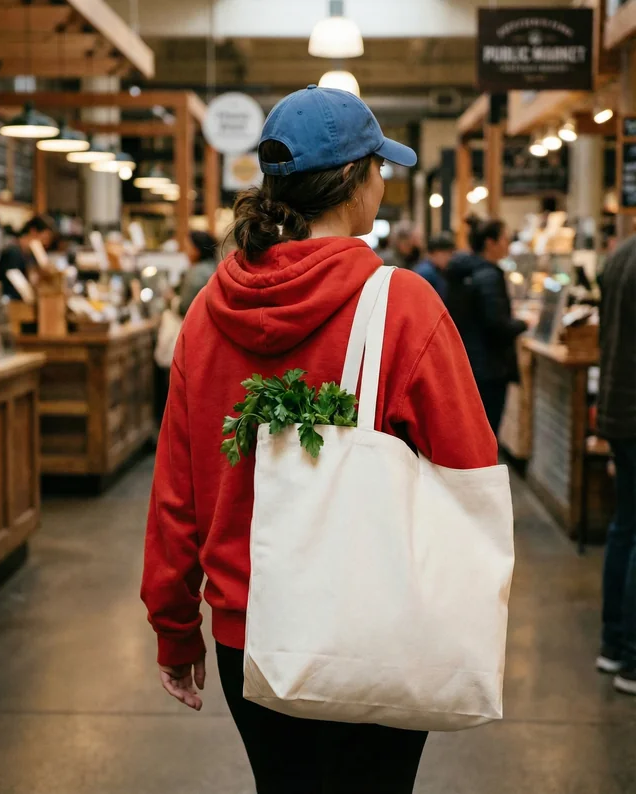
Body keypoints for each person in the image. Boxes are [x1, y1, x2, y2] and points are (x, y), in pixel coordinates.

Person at [141, 85, 497, 793]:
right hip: (375, 621)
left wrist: (175, 626)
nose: (383, 182)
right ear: (356, 180)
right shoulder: (402, 305)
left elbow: (177, 493)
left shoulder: (207, 313)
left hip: (249, 634)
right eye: (380, 168)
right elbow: (471, 470)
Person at [596, 234, 636, 695]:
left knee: (624, 528)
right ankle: (632, 659)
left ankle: (612, 644)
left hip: (618, 411)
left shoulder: (620, 254)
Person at [445, 217, 527, 436]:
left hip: (468, 362)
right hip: (489, 368)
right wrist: (523, 324)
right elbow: (496, 325)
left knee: (471, 433)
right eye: (505, 239)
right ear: (490, 243)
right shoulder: (489, 276)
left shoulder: (463, 271)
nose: (508, 244)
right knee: (487, 432)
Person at [0, 215, 56, 299]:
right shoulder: (13, 252)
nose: (46, 243)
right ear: (33, 232)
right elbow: (15, 286)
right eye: (45, 238)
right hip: (10, 301)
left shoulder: (31, 255)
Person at [179, 230, 217, 317]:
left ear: (197, 250)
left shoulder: (195, 273)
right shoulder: (217, 266)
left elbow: (184, 307)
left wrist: (171, 300)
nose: (185, 252)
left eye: (187, 248)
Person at [413, 234, 455, 301]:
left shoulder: (438, 270)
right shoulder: (425, 273)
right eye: (444, 254)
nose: (448, 258)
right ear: (433, 253)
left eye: (450, 254)